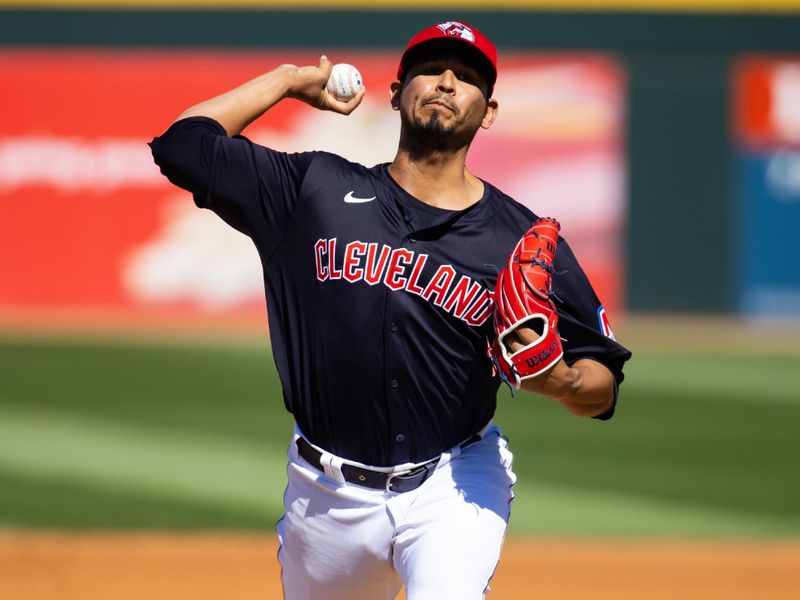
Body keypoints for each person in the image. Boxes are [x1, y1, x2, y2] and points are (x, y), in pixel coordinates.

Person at [150, 19, 631, 600]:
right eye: (430, 70)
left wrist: (564, 380)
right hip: (324, 495)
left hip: (453, 483)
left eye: (468, 77)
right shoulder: (312, 191)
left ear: (490, 110)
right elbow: (182, 146)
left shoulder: (520, 240)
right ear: (396, 93)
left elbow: (602, 384)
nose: (447, 82)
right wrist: (285, 80)